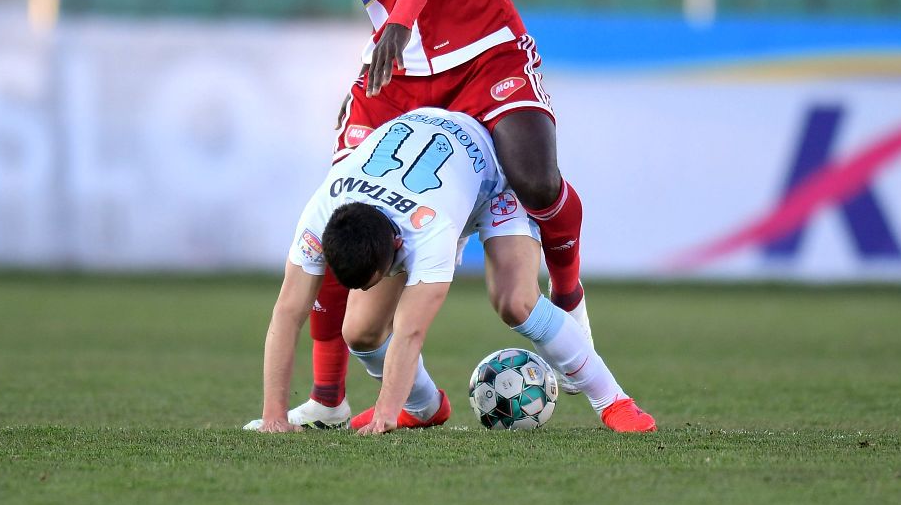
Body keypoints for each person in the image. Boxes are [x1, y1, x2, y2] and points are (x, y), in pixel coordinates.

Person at [220, 0, 594, 427]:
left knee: (535, 180)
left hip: (479, 45)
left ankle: (568, 293)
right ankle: (330, 400)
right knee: (345, 207)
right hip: (401, 71)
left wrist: (403, 17)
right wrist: (383, 50)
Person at [246, 108, 655, 434]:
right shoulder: (320, 213)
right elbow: (287, 313)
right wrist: (273, 415)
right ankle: (424, 408)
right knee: (361, 331)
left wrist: (384, 414)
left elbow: (410, 330)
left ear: (397, 248)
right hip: (423, 171)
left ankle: (613, 400)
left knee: (516, 301)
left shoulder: (430, 231)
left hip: (490, 176)